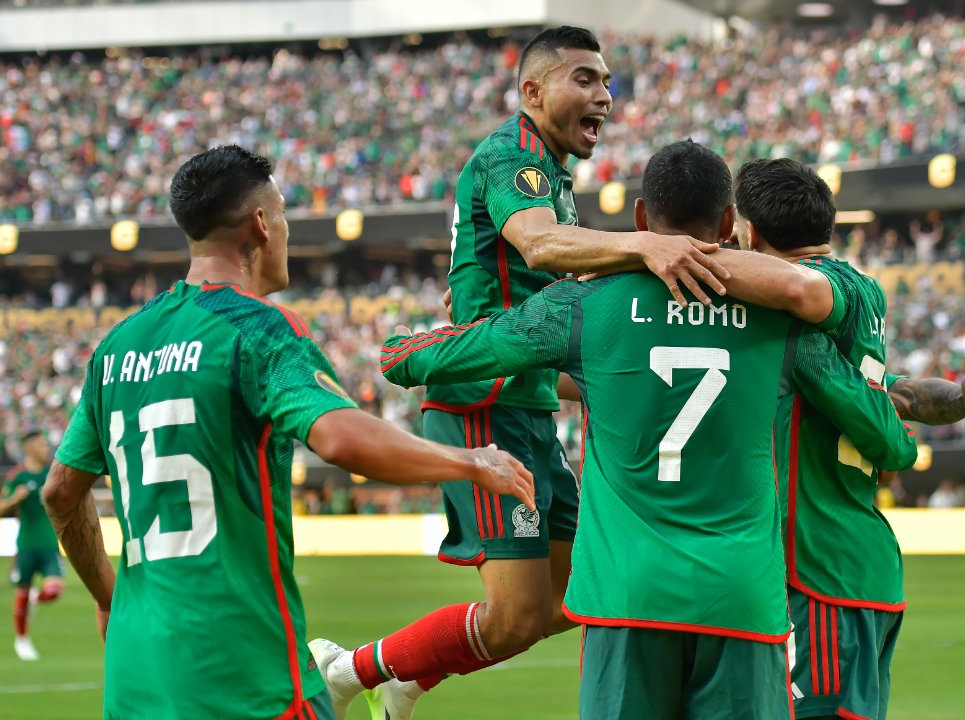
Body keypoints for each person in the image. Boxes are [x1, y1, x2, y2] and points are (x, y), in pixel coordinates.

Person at [314, 140, 918, 719]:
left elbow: (404, 360)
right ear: (730, 221)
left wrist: (449, 328)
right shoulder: (780, 322)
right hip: (741, 601)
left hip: (626, 596)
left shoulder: (581, 306)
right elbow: (880, 427)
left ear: (637, 217)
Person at [309, 27, 731, 720]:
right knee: (514, 617)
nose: (605, 95)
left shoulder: (548, 173)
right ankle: (351, 670)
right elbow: (536, 241)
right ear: (532, 91)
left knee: (583, 595)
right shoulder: (516, 157)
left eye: (606, 82)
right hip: (485, 403)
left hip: (527, 405)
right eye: (585, 79)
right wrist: (647, 245)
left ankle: (405, 672)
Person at [41, 145, 535, 720]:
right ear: (260, 224)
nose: (286, 232)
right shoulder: (256, 328)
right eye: (282, 216)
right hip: (247, 680)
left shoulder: (117, 346)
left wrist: (109, 598)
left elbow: (59, 492)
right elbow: (342, 439)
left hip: (135, 684)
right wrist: (472, 462)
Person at [733, 158, 965, 720]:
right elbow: (888, 395)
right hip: (860, 561)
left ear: (752, 233)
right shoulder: (867, 294)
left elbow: (802, 289)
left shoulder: (813, 296)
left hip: (818, 568)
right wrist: (958, 400)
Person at [0, 431, 64, 661]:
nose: (47, 449)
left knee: (54, 591)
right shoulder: (17, 476)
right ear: (30, 448)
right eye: (42, 445)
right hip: (26, 544)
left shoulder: (51, 473)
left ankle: (37, 598)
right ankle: (22, 640)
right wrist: (15, 499)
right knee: (21, 591)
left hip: (50, 543)